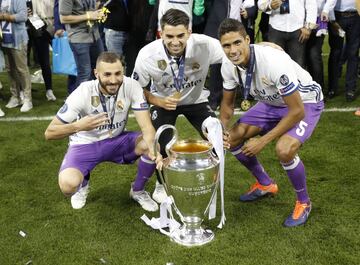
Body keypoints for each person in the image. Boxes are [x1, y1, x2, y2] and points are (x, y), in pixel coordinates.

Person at [218, 18, 324, 227]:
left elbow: (296, 111)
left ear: (247, 40)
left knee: (284, 149)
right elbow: (227, 106)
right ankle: (265, 184)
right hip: (270, 102)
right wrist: (219, 131)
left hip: (305, 102)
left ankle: (304, 202)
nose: (232, 50)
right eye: (226, 45)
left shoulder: (273, 62)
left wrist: (262, 141)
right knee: (231, 139)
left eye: (237, 43)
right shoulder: (227, 65)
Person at [44, 52, 160, 212]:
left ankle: (138, 190)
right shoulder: (83, 92)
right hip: (85, 145)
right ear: (96, 73)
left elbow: (147, 128)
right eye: (107, 74)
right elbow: (49, 132)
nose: (113, 80)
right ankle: (83, 185)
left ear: (123, 71)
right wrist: (79, 126)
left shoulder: (132, 85)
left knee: (152, 144)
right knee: (68, 185)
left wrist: (155, 152)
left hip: (117, 140)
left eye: (118, 73)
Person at [132, 8, 224, 203]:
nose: (175, 42)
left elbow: (235, 52)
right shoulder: (147, 55)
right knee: (161, 143)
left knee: (217, 139)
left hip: (196, 100)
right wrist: (158, 101)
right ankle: (161, 184)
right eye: (169, 36)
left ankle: (212, 182)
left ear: (189, 32)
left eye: (181, 35)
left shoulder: (205, 45)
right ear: (161, 33)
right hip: (163, 102)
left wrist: (265, 47)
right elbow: (136, 90)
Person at [59, 0, 105, 88]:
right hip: (79, 37)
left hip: (95, 34)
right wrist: (88, 16)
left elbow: (89, 9)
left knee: (100, 69)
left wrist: (97, 12)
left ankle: (96, 98)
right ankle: (80, 100)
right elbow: (63, 18)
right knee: (85, 73)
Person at [1, 0, 33, 112]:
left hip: (18, 38)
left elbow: (23, 16)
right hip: (4, 39)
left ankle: (28, 99)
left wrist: (4, 16)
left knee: (21, 69)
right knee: (10, 69)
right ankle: (15, 96)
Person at [327, 0, 360, 101]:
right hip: (337, 16)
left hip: (356, 17)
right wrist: (332, 20)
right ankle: (332, 87)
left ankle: (350, 89)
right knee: (335, 53)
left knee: (353, 54)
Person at [27, 0, 57, 101]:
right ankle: (49, 90)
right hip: (40, 29)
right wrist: (43, 28)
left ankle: (73, 88)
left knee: (67, 58)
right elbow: (30, 14)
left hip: (56, 26)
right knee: (45, 62)